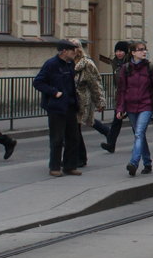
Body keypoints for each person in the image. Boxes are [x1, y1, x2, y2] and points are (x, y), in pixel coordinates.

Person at [115, 41, 153, 176]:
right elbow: (121, 90)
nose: (144, 52)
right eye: (140, 50)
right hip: (131, 106)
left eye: (145, 49)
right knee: (140, 135)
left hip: (146, 105)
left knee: (138, 133)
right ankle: (148, 163)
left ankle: (133, 162)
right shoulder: (126, 69)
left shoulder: (150, 68)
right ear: (133, 53)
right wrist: (120, 108)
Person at [33, 40, 82, 177]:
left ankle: (70, 166)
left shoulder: (70, 64)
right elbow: (38, 82)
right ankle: (54, 166)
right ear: (64, 51)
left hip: (70, 105)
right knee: (57, 138)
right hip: (56, 107)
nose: (75, 52)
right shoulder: (51, 64)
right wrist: (54, 92)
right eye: (72, 50)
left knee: (73, 138)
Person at [71, 39, 108, 168]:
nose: (71, 50)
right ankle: (77, 156)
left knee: (76, 129)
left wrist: (100, 102)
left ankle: (80, 157)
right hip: (69, 100)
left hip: (82, 100)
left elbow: (95, 83)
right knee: (72, 130)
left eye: (74, 47)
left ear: (79, 49)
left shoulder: (87, 63)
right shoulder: (66, 62)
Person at [100, 41, 130, 153]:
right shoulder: (115, 63)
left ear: (126, 52)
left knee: (135, 123)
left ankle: (141, 144)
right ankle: (111, 144)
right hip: (120, 96)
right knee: (116, 120)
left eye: (121, 51)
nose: (119, 53)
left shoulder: (130, 63)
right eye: (117, 51)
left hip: (131, 96)